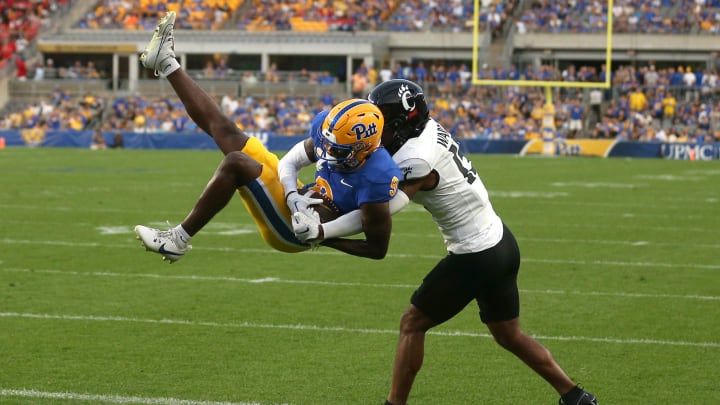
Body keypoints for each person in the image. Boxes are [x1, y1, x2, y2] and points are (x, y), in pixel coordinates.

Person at [291, 80, 598, 405]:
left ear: (399, 124)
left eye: (381, 121)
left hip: (476, 254)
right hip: (501, 242)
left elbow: (379, 213)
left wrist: (324, 233)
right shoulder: (423, 130)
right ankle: (576, 396)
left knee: (412, 323)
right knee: (509, 335)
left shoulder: (417, 157)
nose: (375, 129)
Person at [133, 11, 402, 263]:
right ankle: (166, 62)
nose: (328, 153)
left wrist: (321, 235)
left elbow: (377, 249)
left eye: (339, 151)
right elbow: (290, 162)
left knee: (237, 162)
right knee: (229, 131)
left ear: (365, 149)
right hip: (298, 198)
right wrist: (293, 195)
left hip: (292, 232)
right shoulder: (330, 131)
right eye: (327, 145)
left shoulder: (378, 174)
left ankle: (176, 240)